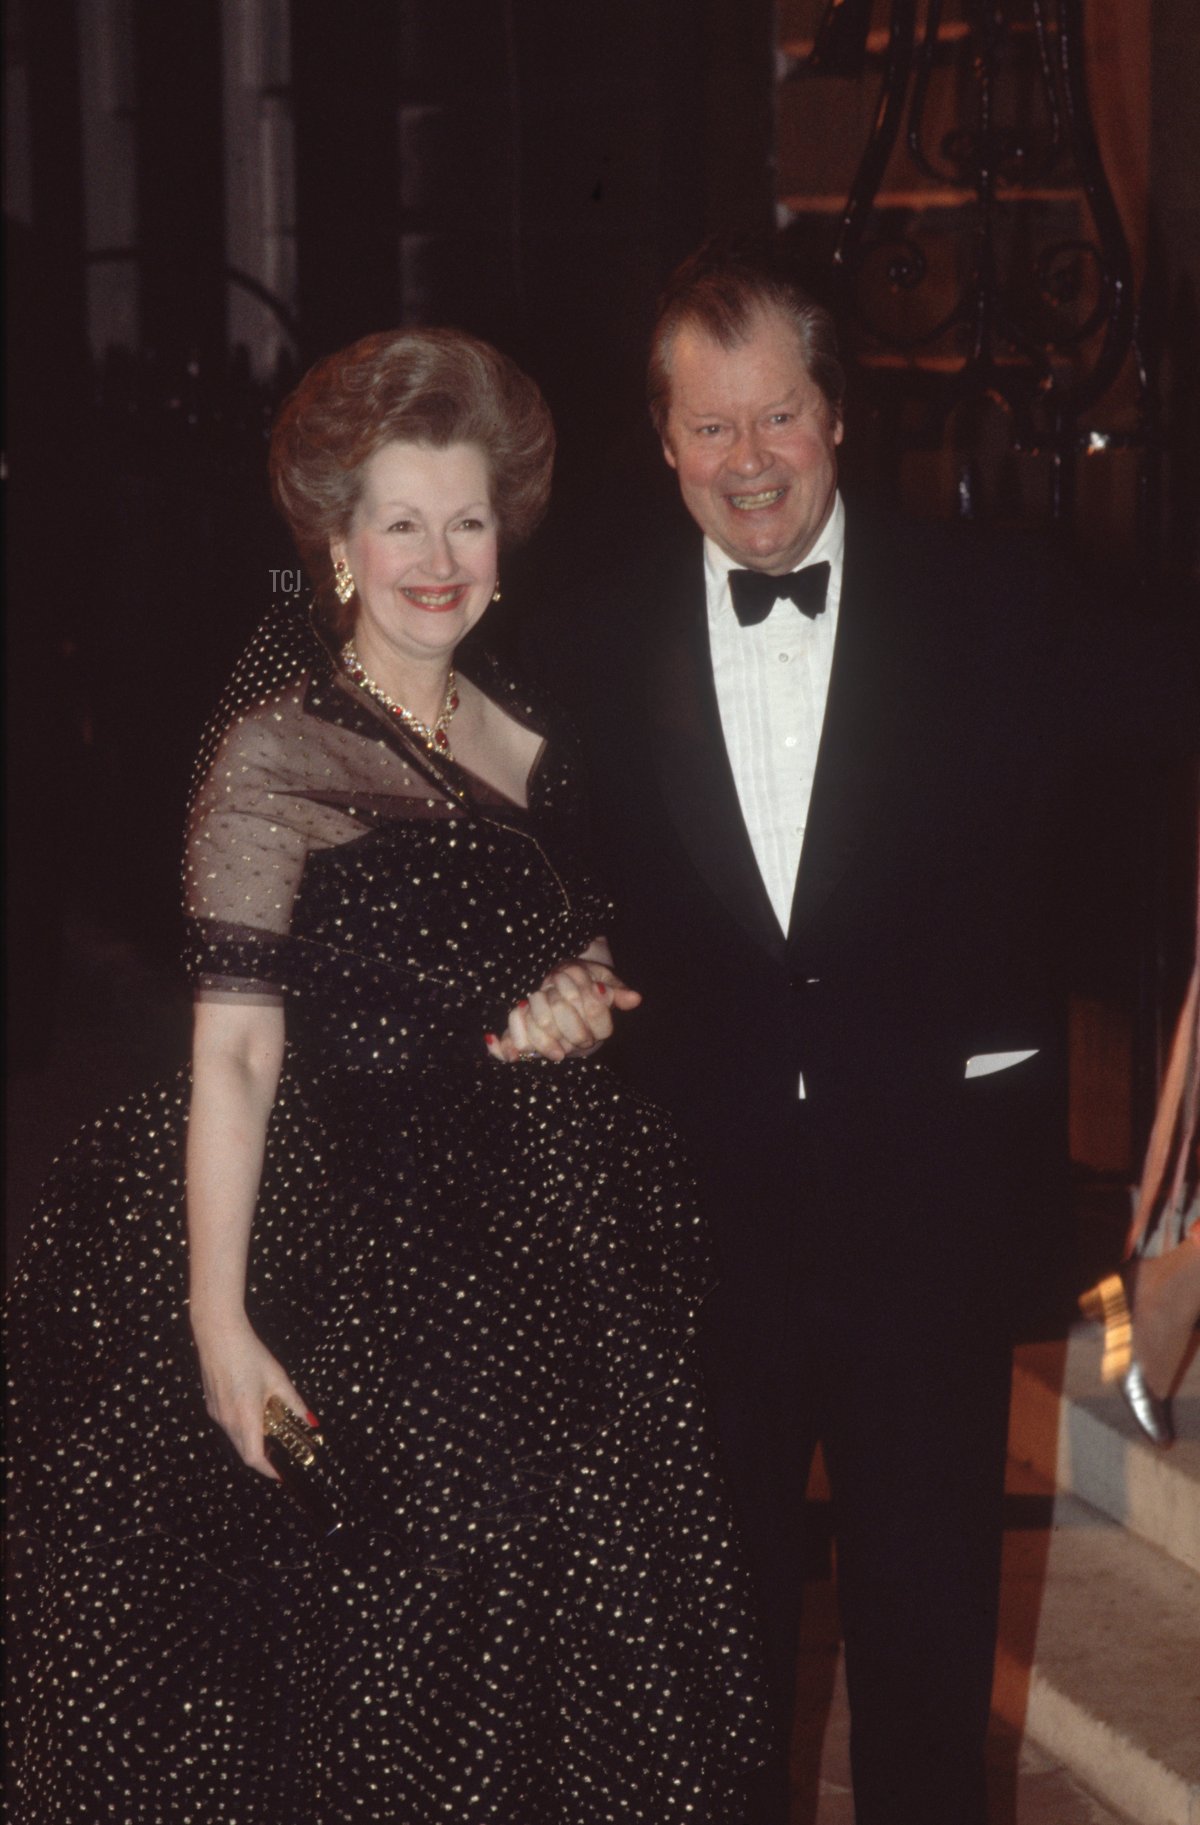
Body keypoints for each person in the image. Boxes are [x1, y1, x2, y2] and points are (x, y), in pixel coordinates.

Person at [7, 326, 771, 1822]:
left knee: (582, 1650)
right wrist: (219, 1323)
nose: (440, 554)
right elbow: (232, 1047)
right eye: (403, 520)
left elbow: (581, 943)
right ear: (340, 542)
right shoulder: (274, 757)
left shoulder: (535, 723)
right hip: (353, 1258)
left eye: (468, 519)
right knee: (389, 1654)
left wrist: (584, 998)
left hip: (555, 1259)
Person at [526, 240, 1200, 1824]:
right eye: (710, 428)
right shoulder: (588, 640)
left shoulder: (999, 602)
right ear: (664, 437)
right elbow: (494, 838)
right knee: (719, 1659)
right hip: (700, 1225)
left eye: (776, 419)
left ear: (835, 413)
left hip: (936, 1209)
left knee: (925, 1639)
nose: (747, 463)